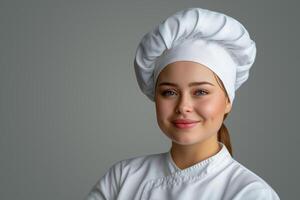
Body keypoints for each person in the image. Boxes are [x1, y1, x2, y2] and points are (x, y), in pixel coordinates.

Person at [85, 7, 280, 200]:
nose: (183, 106)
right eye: (169, 92)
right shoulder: (122, 179)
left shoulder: (250, 193)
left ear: (228, 100)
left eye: (200, 92)